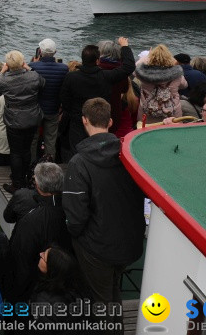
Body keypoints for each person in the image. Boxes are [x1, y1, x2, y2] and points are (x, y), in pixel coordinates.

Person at [63, 98, 146, 306]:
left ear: (84, 120)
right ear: (109, 122)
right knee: (111, 291)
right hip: (129, 241)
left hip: (97, 246)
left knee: (100, 300)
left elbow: (76, 216)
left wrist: (75, 233)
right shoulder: (129, 154)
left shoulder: (79, 163)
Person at [59, 37, 134, 161]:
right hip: (99, 120)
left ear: (82, 60)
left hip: (78, 120)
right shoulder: (106, 76)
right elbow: (128, 67)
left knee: (76, 153)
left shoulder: (71, 77)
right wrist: (125, 46)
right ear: (98, 61)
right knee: (98, 151)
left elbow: (64, 98)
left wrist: (75, 113)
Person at [8, 162, 71, 302]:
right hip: (68, 283)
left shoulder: (31, 221)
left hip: (36, 288)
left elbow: (20, 260)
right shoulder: (74, 209)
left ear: (37, 185)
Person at [0, 50, 44, 192]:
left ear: (7, 65)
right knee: (26, 150)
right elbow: (42, 82)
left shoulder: (4, 79)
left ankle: (16, 183)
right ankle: (25, 177)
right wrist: (29, 68)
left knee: (15, 152)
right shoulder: (33, 75)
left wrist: (1, 72)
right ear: (22, 63)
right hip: (32, 117)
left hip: (14, 119)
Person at [29, 38, 66, 162]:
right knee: (50, 140)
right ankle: (49, 166)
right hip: (53, 109)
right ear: (55, 52)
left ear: (40, 51)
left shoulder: (32, 67)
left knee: (33, 140)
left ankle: (31, 166)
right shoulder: (63, 69)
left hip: (36, 110)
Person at [135, 44, 186, 126]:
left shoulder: (142, 74)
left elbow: (135, 67)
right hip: (172, 113)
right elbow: (184, 85)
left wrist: (146, 57)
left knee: (147, 134)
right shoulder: (177, 75)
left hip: (148, 112)